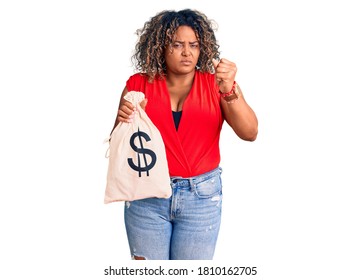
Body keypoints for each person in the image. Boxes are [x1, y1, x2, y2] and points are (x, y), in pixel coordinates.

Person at [111, 9, 258, 260]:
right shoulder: (138, 84)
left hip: (200, 197)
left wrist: (230, 91)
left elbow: (250, 132)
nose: (187, 52)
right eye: (177, 44)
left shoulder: (216, 83)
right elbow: (118, 144)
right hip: (146, 194)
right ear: (159, 46)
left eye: (194, 45)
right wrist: (124, 119)